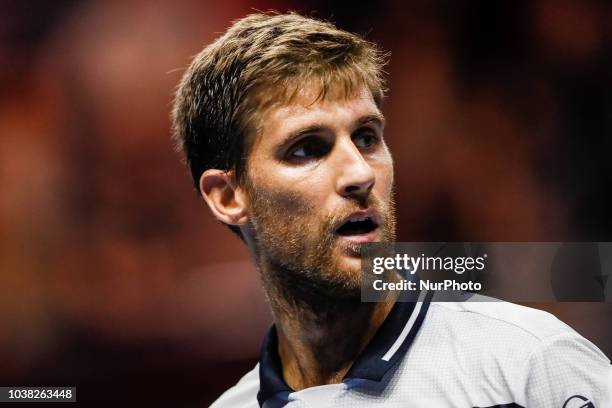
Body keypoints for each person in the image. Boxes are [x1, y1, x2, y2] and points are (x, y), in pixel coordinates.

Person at [172, 12, 612, 407]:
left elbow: (578, 272)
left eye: (366, 137)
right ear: (228, 197)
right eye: (307, 148)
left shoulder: (533, 364)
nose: (360, 173)